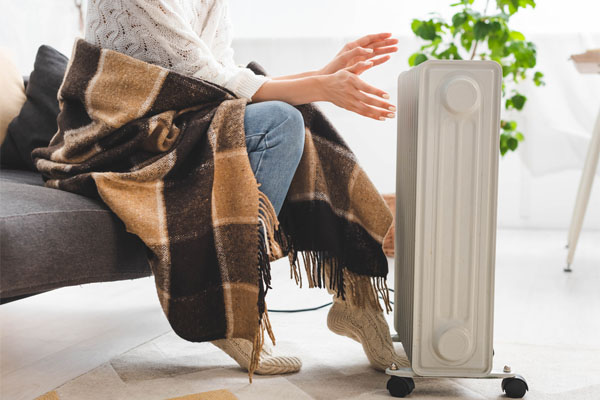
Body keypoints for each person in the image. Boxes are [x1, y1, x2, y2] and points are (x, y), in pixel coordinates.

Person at [85, 0, 407, 376]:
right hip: (128, 135)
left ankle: (355, 296)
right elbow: (204, 79)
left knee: (297, 115)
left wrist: (323, 76)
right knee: (281, 120)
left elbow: (225, 74)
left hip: (183, 119)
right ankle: (228, 308)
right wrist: (320, 84)